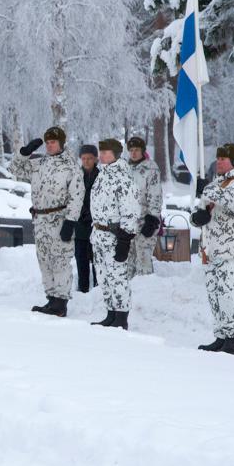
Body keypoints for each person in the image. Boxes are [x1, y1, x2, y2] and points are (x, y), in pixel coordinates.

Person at [9, 127, 83, 316]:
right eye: (48, 142)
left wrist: (70, 221)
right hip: (40, 220)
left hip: (59, 219)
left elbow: (77, 196)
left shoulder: (70, 166)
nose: (50, 146)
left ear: (61, 143)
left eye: (53, 142)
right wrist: (24, 153)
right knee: (44, 260)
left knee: (60, 261)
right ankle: (51, 299)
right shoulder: (39, 163)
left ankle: (61, 302)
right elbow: (15, 169)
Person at [188, 143, 234, 356]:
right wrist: (198, 217)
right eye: (218, 158)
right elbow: (200, 212)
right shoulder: (215, 185)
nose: (219, 162)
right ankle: (221, 335)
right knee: (214, 295)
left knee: (228, 294)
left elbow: (229, 201)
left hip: (231, 252)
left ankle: (231, 340)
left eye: (224, 159)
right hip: (211, 250)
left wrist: (207, 189)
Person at [89, 139, 139, 329]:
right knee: (103, 277)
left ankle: (121, 317)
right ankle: (110, 313)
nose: (101, 155)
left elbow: (130, 211)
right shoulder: (102, 175)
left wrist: (125, 239)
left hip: (115, 237)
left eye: (105, 152)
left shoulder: (123, 179)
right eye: (101, 151)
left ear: (116, 154)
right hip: (99, 235)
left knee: (118, 278)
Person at [125, 136, 162, 278]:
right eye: (131, 150)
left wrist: (152, 219)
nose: (134, 153)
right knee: (127, 262)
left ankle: (145, 295)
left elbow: (155, 195)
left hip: (145, 221)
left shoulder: (150, 168)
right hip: (128, 223)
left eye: (137, 150)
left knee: (143, 260)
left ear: (143, 151)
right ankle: (128, 296)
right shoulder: (126, 169)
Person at [74, 144, 99, 293]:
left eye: (90, 158)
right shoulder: (76, 176)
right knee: (81, 259)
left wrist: (92, 212)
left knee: (97, 260)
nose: (87, 161)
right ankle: (82, 289)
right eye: (84, 158)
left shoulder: (101, 176)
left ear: (95, 159)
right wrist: (81, 212)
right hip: (80, 225)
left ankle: (97, 290)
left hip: (96, 225)